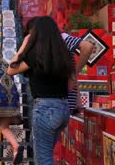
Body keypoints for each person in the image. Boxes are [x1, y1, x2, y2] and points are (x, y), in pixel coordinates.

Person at [7, 16, 75, 165]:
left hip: (45, 109)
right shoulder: (63, 55)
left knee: (43, 160)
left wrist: (24, 45)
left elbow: (11, 69)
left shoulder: (36, 55)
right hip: (63, 108)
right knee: (41, 148)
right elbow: (71, 83)